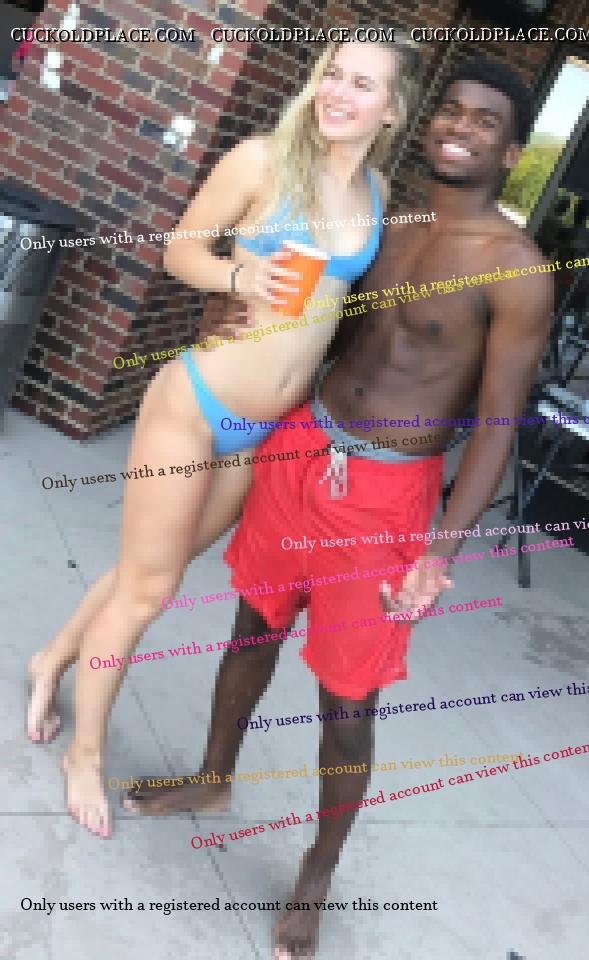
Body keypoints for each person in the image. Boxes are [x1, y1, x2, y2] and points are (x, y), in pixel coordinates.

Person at [126, 55, 554, 960]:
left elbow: (497, 426)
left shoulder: (515, 267)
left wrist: (439, 552)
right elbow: (320, 321)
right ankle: (212, 776)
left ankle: (315, 876)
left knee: (349, 696)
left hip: (389, 496)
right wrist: (224, 317)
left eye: (484, 122)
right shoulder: (386, 223)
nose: (460, 128)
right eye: (452, 110)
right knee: (252, 626)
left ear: (512, 152)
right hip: (303, 448)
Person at [26, 34, 422, 838]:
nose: (339, 93)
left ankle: (52, 657)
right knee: (148, 589)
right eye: (333, 75)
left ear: (393, 109)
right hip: (197, 404)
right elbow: (180, 250)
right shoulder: (262, 160)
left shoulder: (378, 192)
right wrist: (238, 276)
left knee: (151, 571)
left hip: (265, 430)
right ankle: (85, 754)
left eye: (363, 84)